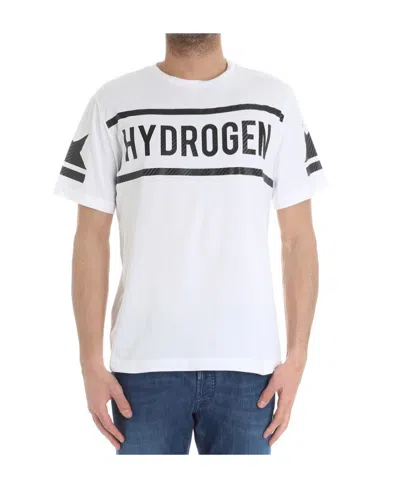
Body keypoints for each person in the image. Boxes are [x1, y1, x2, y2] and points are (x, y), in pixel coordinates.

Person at [54, 33, 326, 455]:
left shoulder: (275, 102)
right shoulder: (112, 103)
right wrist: (89, 361)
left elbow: (298, 239)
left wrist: (299, 355)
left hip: (249, 368)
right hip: (142, 367)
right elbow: (90, 237)